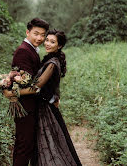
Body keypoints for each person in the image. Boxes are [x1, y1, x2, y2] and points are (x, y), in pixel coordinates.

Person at [5, 29, 82, 166]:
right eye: (47, 40)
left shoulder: (52, 63)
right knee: (44, 146)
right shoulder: (48, 59)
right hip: (43, 107)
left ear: (59, 46)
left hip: (47, 110)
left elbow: (37, 86)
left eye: (52, 42)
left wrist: (14, 93)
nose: (47, 43)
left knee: (51, 147)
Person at [9, 18, 49, 166]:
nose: (39, 38)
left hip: (29, 106)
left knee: (27, 145)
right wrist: (12, 93)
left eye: (42, 35)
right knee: (24, 146)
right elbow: (25, 83)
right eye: (36, 33)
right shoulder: (23, 51)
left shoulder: (31, 50)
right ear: (27, 32)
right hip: (25, 107)